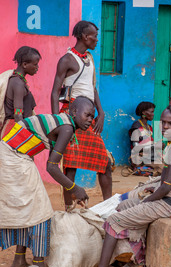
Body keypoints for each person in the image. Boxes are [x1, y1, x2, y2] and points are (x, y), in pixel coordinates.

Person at [67, 105, 171, 267]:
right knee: (123, 205)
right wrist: (153, 191)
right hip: (169, 197)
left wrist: (148, 199)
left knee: (113, 220)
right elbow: (168, 183)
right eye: (164, 122)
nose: (166, 127)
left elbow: (166, 188)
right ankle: (136, 259)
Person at [0, 96, 94, 267]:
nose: (90, 120)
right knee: (41, 212)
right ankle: (39, 266)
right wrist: (75, 188)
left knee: (27, 209)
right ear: (73, 112)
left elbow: (52, 163)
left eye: (92, 117)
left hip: (9, 155)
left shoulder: (62, 123)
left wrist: (71, 189)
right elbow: (52, 167)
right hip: (14, 159)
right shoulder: (67, 127)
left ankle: (19, 260)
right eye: (87, 114)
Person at [50, 20, 112, 210]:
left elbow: (91, 87)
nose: (97, 39)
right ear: (85, 37)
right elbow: (55, 92)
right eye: (95, 36)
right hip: (71, 116)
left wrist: (100, 112)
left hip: (88, 116)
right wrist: (56, 121)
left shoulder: (89, 58)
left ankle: (107, 206)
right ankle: (69, 209)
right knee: (70, 167)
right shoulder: (67, 60)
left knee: (105, 162)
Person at [0, 46, 41, 140]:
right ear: (25, 64)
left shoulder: (18, 80)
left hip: (14, 129)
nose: (37, 67)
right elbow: (18, 114)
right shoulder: (18, 84)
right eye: (35, 64)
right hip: (14, 131)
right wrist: (24, 137)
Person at [128, 101, 160, 176]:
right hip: (139, 157)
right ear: (144, 112)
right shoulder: (136, 126)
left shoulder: (149, 127)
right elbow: (136, 147)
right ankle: (140, 168)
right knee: (160, 169)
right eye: (151, 112)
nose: (153, 114)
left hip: (149, 156)